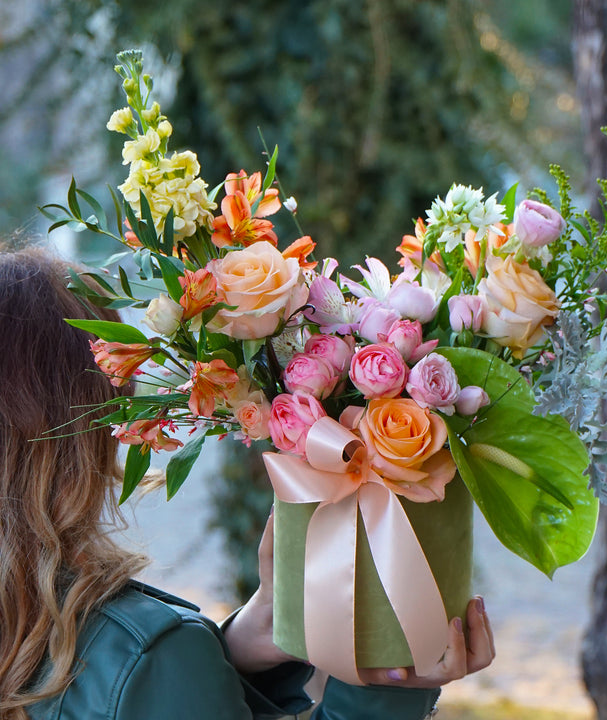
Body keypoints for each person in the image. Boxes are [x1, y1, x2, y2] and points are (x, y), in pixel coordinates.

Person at [0, 248, 495, 720]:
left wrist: (244, 640)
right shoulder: (148, 657)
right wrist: (385, 694)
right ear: (78, 438)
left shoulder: (82, 646)